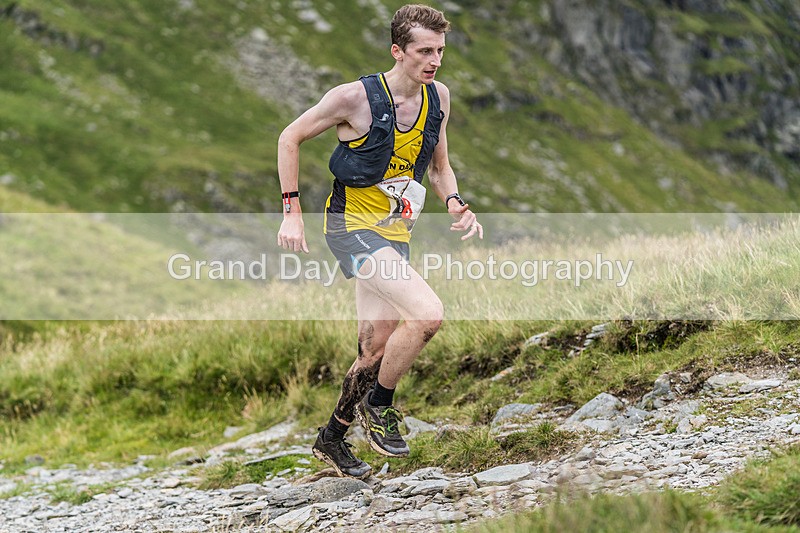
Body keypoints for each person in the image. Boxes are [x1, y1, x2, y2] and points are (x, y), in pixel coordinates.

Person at [276, 3, 482, 479]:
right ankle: (380, 405)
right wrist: (292, 213)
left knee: (375, 347)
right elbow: (290, 137)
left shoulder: (439, 98)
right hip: (350, 226)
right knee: (428, 314)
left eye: (440, 51)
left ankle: (331, 439)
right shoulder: (354, 98)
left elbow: (438, 166)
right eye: (424, 52)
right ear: (398, 51)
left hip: (394, 230)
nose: (434, 61)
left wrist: (455, 201)